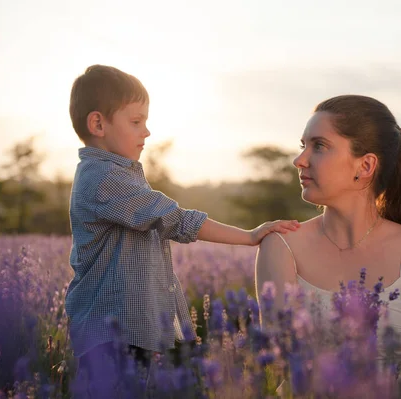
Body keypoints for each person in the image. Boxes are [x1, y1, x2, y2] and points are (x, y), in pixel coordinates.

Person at [64, 64, 300, 396]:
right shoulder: (104, 178)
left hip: (126, 331)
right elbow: (176, 220)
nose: (146, 132)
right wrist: (249, 236)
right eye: (136, 122)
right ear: (98, 123)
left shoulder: (119, 173)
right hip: (113, 334)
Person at [255, 95, 401, 385]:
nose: (299, 160)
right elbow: (278, 372)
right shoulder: (281, 245)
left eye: (319, 146)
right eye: (303, 146)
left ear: (365, 166)